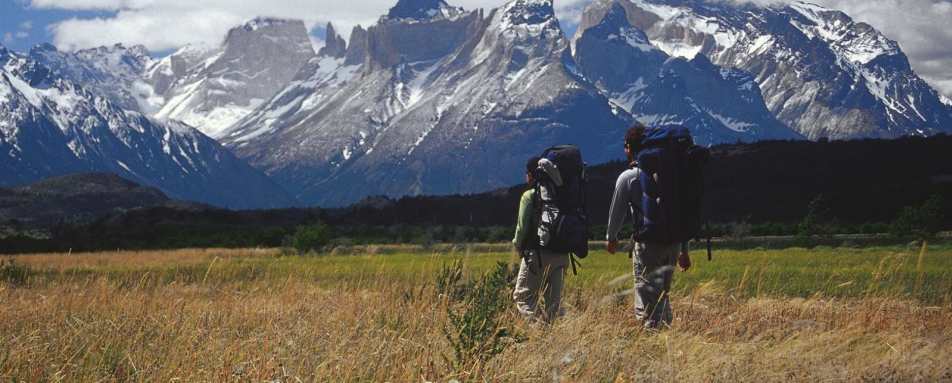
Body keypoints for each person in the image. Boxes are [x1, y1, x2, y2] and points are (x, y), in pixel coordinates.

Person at [606, 124, 692, 330]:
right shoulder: (672, 174)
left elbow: (617, 212)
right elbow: (680, 211)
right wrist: (684, 250)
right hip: (673, 243)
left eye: (625, 146)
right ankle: (667, 336)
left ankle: (651, 341)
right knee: (662, 295)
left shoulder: (628, 177)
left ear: (630, 147)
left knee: (646, 301)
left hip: (647, 245)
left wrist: (611, 237)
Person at [512, 156, 570, 323]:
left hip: (537, 254)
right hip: (562, 255)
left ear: (531, 175)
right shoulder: (562, 195)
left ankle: (539, 331)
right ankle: (558, 336)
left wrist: (518, 246)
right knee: (554, 306)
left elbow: (522, 228)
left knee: (523, 297)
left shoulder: (529, 196)